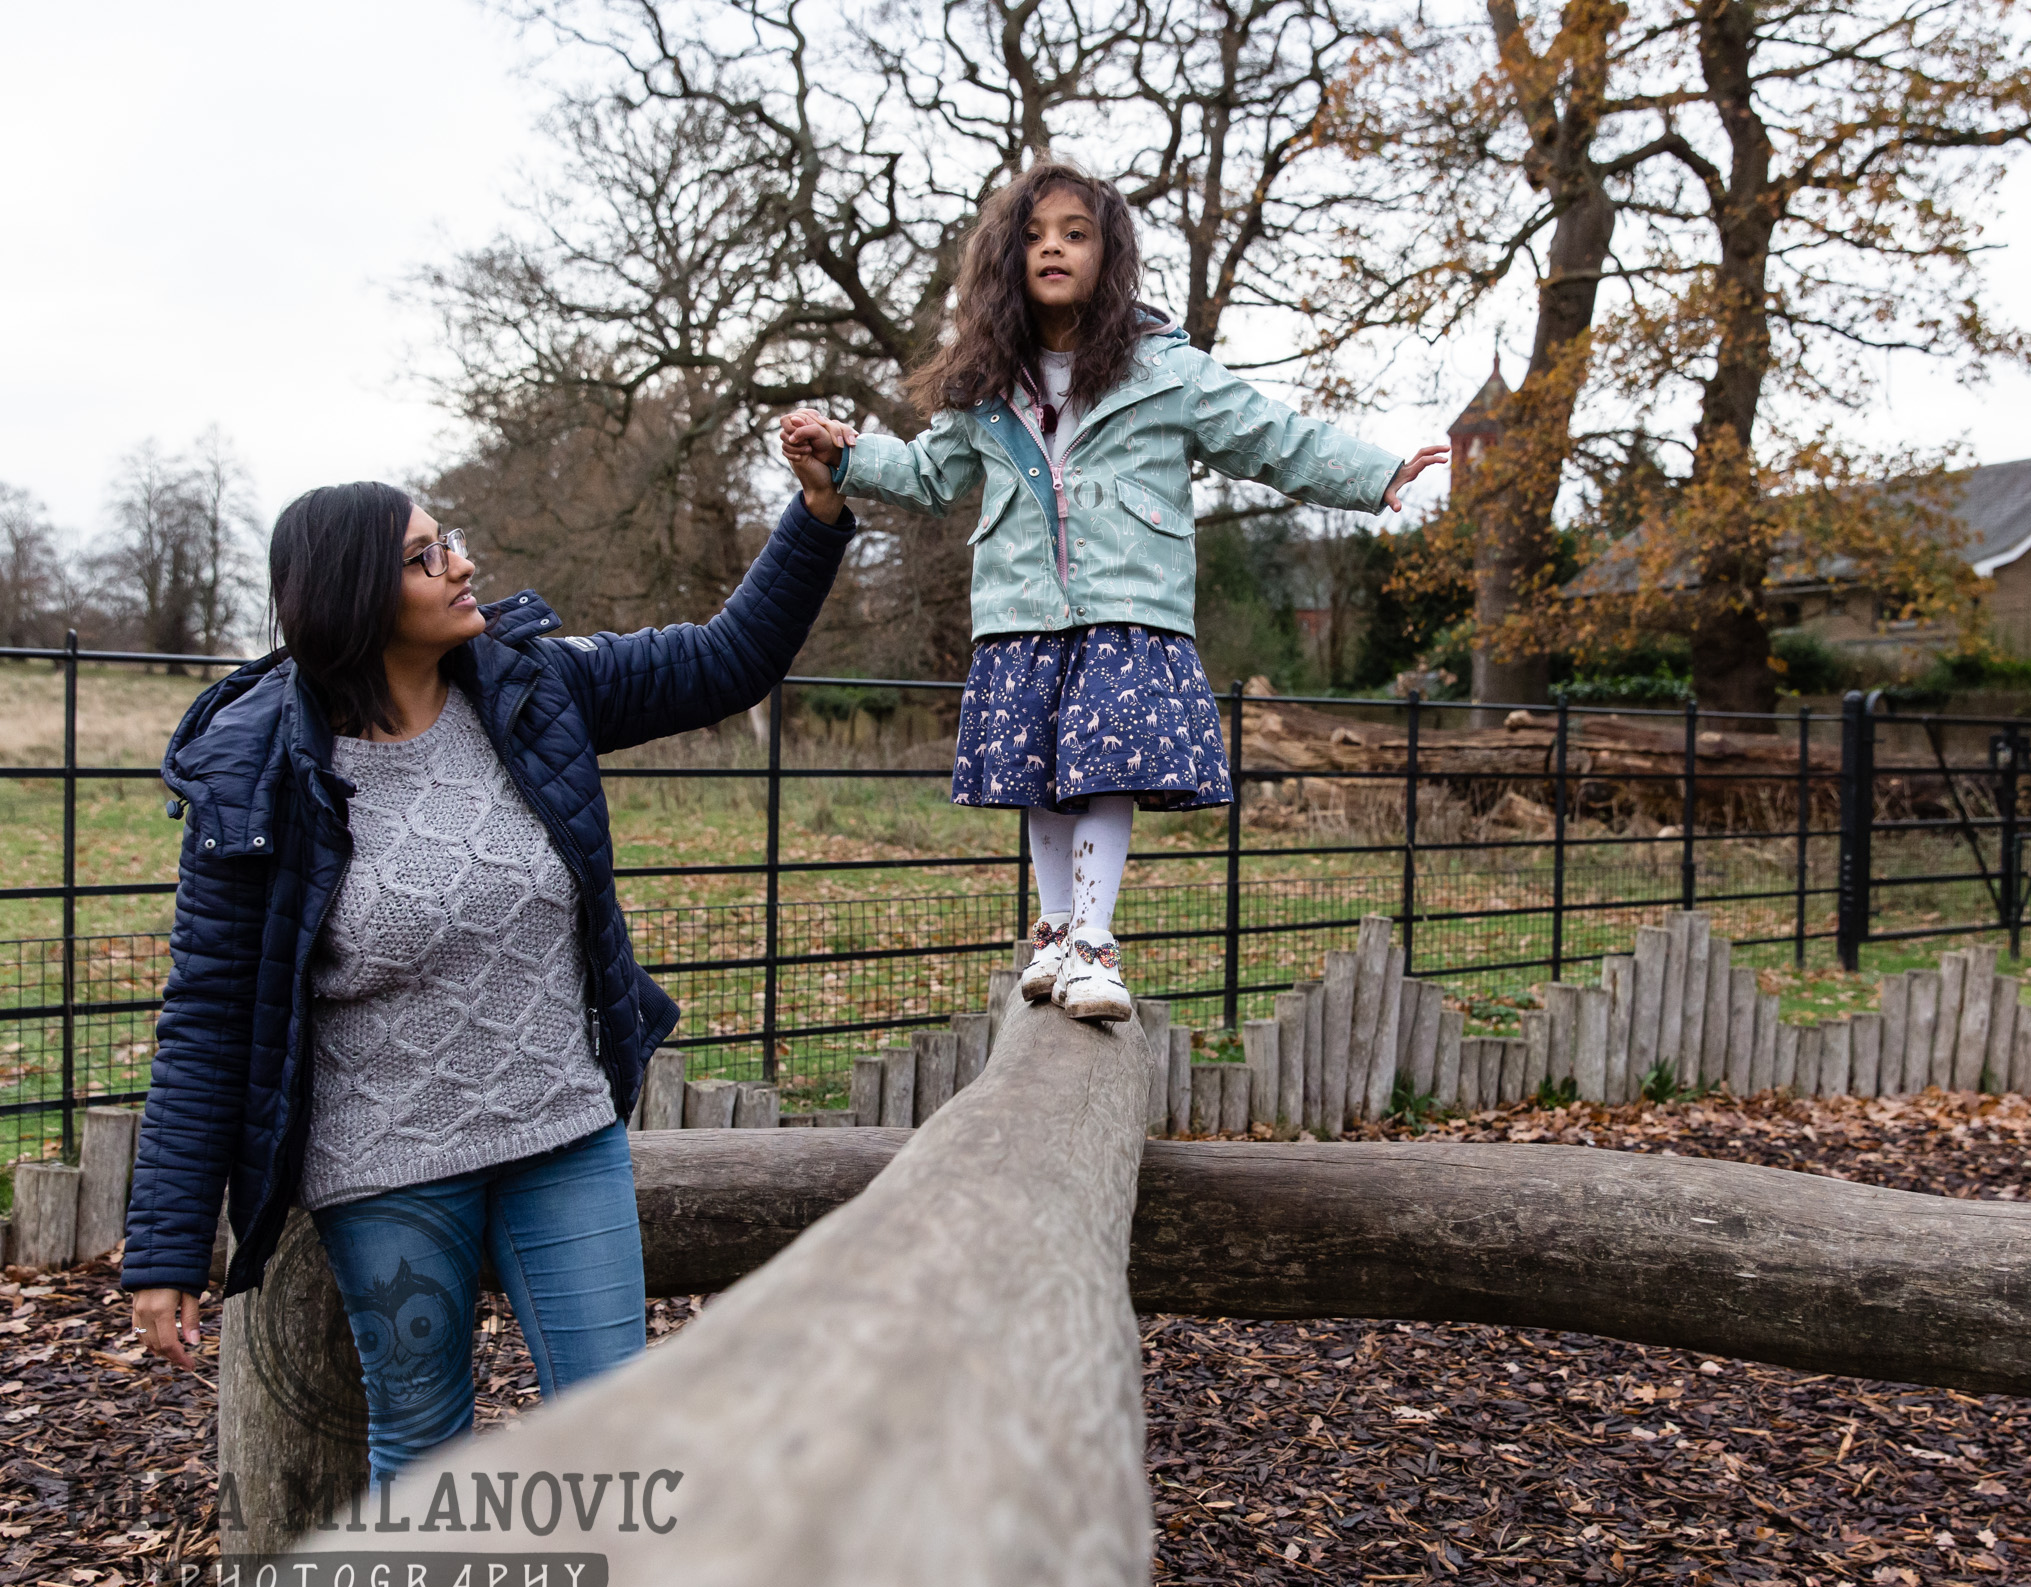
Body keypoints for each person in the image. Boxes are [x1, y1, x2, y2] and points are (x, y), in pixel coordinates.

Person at [122, 446, 855, 1484]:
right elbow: (206, 1014)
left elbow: (724, 660)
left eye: (449, 540)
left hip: (561, 1129)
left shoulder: (534, 685)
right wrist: (163, 1248)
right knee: (423, 1453)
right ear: (356, 598)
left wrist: (817, 512)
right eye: (428, 557)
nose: (463, 565)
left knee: (616, 1432)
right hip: (384, 1167)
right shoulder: (258, 770)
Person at [780, 160, 1445, 1024]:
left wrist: (1377, 474)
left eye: (1075, 233)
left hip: (1129, 604)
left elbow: (1269, 434)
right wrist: (842, 455)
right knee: (1039, 780)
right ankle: (1055, 929)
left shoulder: (1165, 370)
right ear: (1007, 260)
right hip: (1022, 611)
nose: (1052, 246)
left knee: (1104, 775)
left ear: (1109, 254)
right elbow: (926, 476)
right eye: (1033, 235)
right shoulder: (987, 386)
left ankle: (1095, 939)